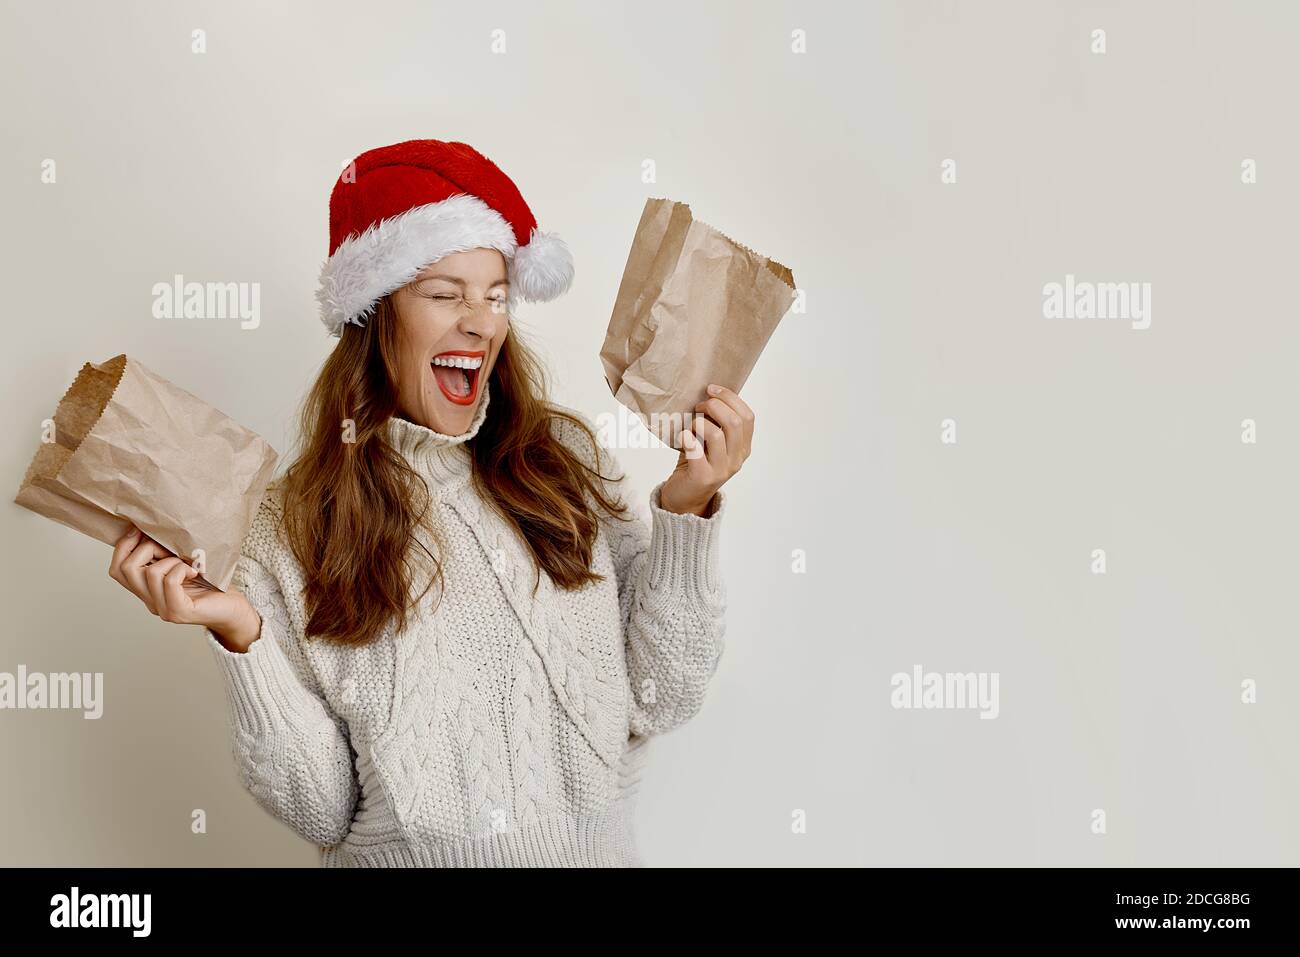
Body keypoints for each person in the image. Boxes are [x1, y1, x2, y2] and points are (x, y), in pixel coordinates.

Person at [107, 139, 753, 867]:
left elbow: (665, 692)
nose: (481, 322)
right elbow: (320, 810)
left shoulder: (563, 465)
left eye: (496, 294)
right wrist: (239, 632)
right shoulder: (289, 526)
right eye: (446, 293)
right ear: (375, 316)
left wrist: (689, 503)